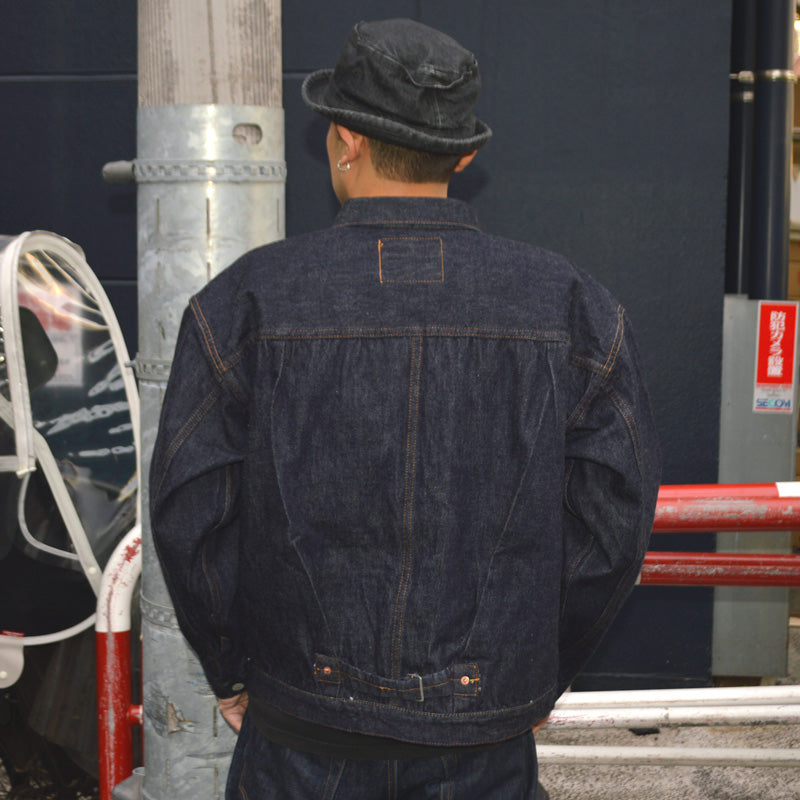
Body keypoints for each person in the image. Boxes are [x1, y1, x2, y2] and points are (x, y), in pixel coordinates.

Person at [150, 17, 661, 799]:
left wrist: (230, 666)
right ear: (464, 154)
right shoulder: (572, 307)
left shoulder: (245, 302)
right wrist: (529, 675)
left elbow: (192, 514)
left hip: (300, 727)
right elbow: (614, 521)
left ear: (343, 140)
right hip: (481, 735)